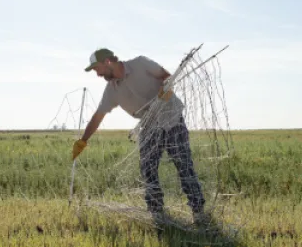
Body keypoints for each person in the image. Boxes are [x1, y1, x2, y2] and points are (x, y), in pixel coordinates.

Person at [72, 48, 211, 226]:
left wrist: (166, 88)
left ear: (108, 62)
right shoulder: (111, 91)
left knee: (184, 165)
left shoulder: (140, 63)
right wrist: (83, 140)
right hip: (149, 125)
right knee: (148, 168)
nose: (97, 74)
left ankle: (198, 211)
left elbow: (167, 76)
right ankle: (156, 212)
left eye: (97, 68)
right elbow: (98, 116)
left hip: (171, 118)